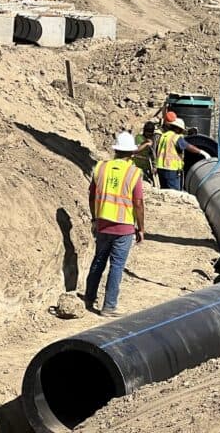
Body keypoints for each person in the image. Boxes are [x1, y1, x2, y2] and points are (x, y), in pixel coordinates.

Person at [85, 131, 145, 317]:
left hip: (103, 222)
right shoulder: (134, 173)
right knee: (117, 266)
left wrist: (95, 218)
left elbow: (92, 195)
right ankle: (109, 306)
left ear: (116, 150)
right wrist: (141, 228)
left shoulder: (101, 167)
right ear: (132, 153)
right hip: (124, 225)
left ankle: (89, 298)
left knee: (98, 261)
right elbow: (138, 203)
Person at [155, 112, 205, 191]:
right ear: (177, 128)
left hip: (160, 168)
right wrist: (201, 152)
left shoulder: (163, 136)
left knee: (165, 191)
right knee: (174, 192)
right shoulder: (176, 137)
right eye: (181, 130)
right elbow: (187, 146)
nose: (182, 132)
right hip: (171, 170)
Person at [133, 120, 158, 185]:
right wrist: (146, 144)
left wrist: (155, 166)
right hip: (137, 166)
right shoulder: (139, 138)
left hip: (147, 167)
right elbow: (136, 150)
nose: (149, 134)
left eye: (151, 133)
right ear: (144, 131)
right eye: (148, 132)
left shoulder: (153, 139)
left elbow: (154, 153)